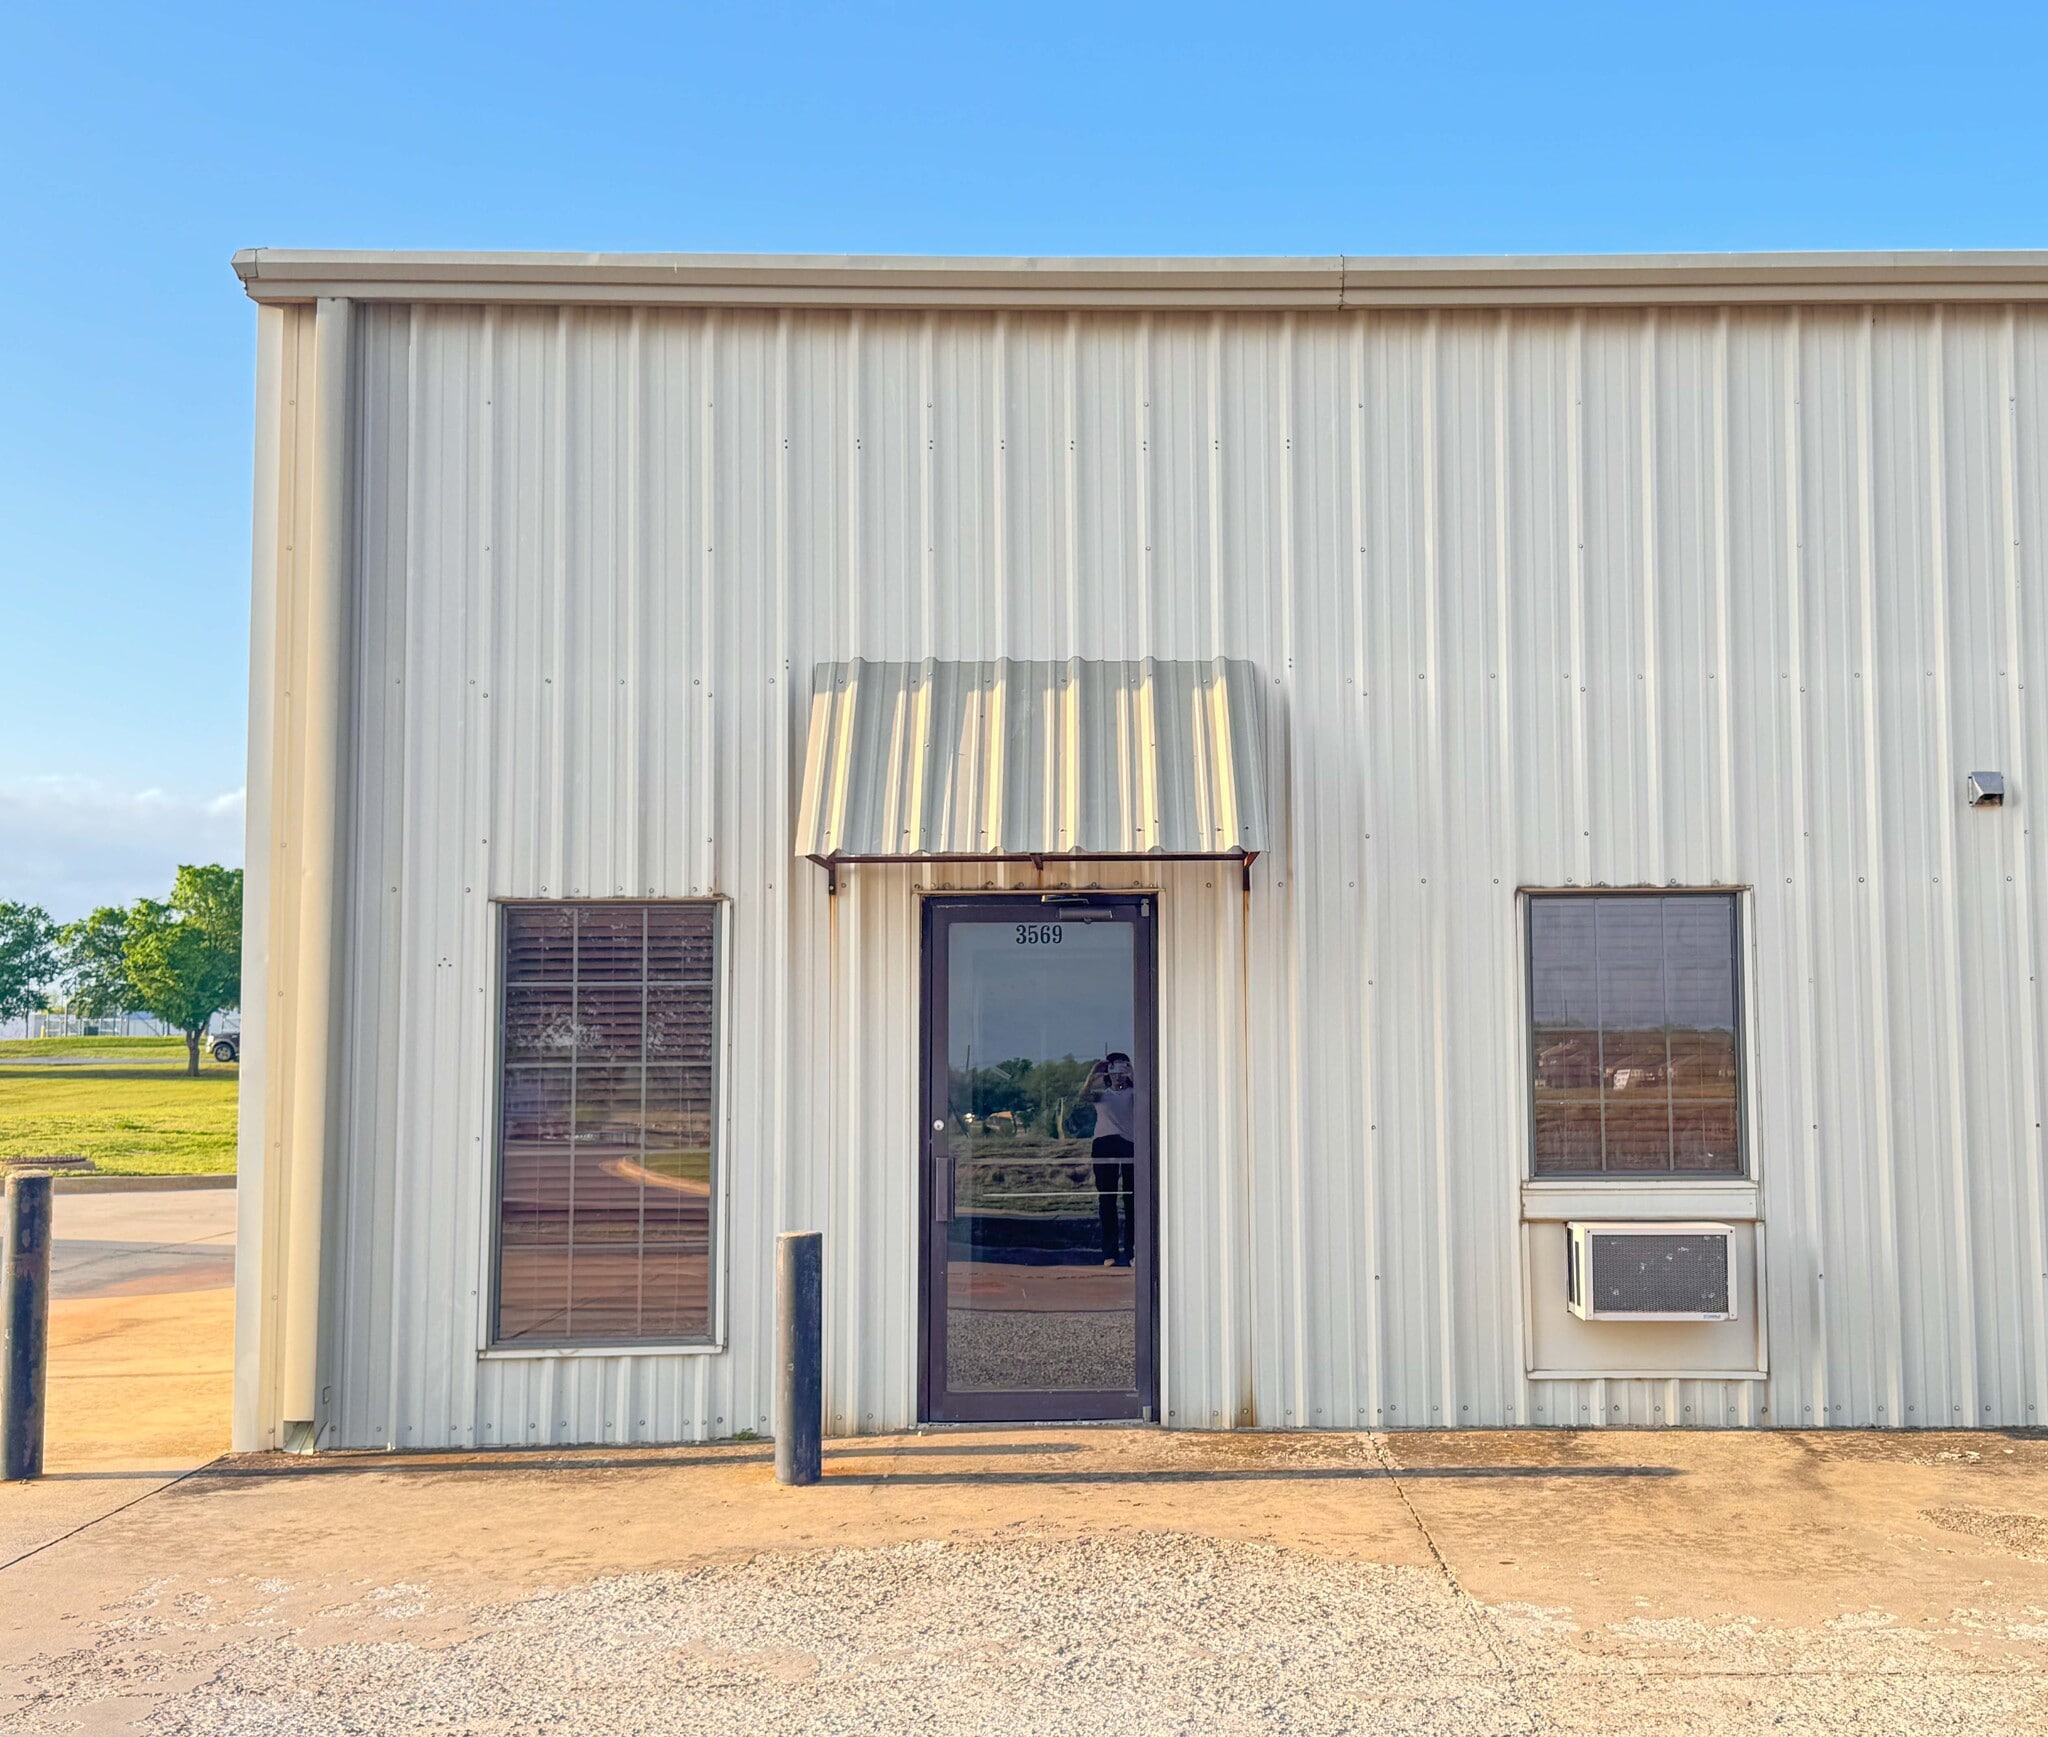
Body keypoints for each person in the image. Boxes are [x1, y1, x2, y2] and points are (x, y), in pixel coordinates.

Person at [1083, 1052, 1136, 1266]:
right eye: (1114, 1069)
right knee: (1107, 1199)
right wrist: (1093, 1074)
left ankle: (1132, 1250)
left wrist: (1134, 1073)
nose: (1118, 1075)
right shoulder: (1102, 1095)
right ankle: (1110, 1252)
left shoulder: (1134, 1093)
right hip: (1104, 1143)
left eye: (1122, 1069)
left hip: (1129, 1143)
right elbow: (1082, 1097)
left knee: (1132, 1199)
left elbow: (1149, 1097)